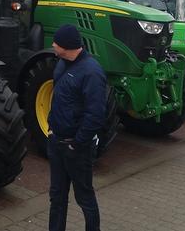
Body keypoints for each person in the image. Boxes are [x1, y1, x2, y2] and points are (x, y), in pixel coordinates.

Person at [48, 24, 106, 231]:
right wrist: (50, 126)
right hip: (56, 143)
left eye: (57, 42)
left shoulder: (92, 73)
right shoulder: (61, 64)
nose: (53, 44)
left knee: (85, 198)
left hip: (77, 149)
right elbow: (58, 98)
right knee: (56, 197)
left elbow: (96, 114)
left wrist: (77, 144)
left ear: (68, 45)